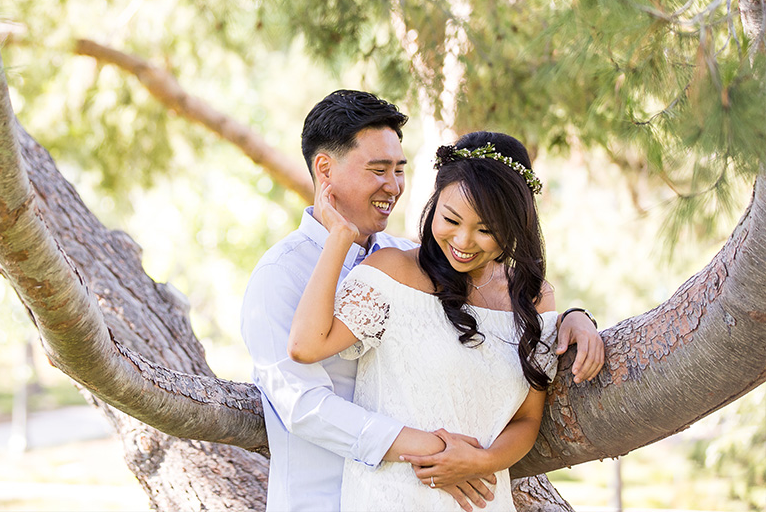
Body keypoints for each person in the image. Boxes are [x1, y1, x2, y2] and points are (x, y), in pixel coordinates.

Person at [240, 91, 604, 512]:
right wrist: (439, 450)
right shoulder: (280, 274)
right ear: (325, 170)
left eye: (399, 170)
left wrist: (571, 318)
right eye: (378, 170)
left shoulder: (412, 261)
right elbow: (303, 406)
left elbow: (493, 304)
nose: (393, 186)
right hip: (325, 499)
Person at [288, 131, 561, 511]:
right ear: (434, 205)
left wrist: (480, 461)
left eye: (486, 230)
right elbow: (305, 346)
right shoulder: (392, 273)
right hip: (391, 498)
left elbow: (527, 419)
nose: (463, 241)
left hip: (482, 500)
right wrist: (340, 237)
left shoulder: (534, 298)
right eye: (450, 219)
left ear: (515, 227)